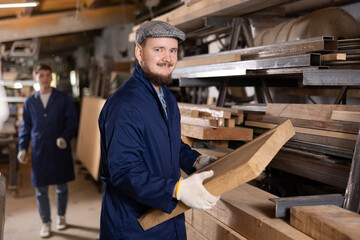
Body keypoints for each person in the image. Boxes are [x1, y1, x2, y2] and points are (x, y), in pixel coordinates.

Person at [98, 20, 220, 239]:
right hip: (133, 226)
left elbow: (169, 146)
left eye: (172, 50)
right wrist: (177, 190)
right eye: (158, 50)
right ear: (139, 52)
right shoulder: (125, 105)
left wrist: (196, 161)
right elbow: (124, 172)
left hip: (167, 219)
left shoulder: (167, 99)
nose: (167, 58)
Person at [17, 63, 78, 238]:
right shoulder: (30, 102)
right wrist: (22, 147)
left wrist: (65, 137)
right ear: (35, 77)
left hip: (59, 148)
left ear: (51, 77)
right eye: (40, 75)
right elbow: (25, 128)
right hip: (39, 150)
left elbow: (72, 121)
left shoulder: (63, 99)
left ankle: (61, 216)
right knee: (41, 189)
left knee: (61, 186)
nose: (44, 78)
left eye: (47, 75)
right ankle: (46, 222)